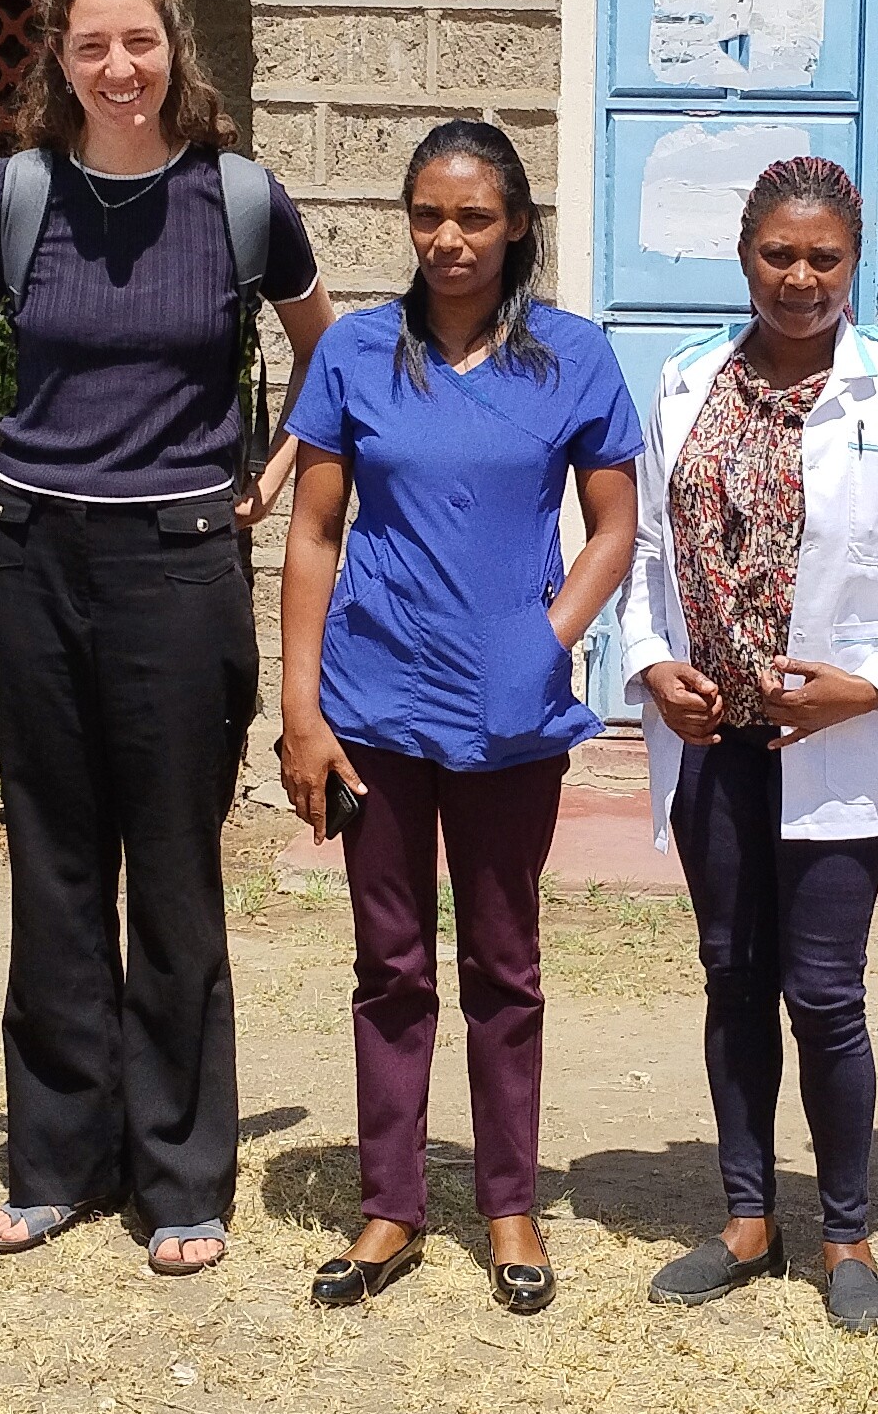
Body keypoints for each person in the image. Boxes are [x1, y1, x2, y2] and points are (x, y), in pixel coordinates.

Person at [0, 0, 338, 1278]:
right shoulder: (13, 198)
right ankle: (56, 1162)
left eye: (141, 43)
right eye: (92, 45)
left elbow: (327, 352)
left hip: (179, 569)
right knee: (53, 865)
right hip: (38, 563)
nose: (119, 68)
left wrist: (267, 480)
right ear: (58, 57)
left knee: (170, 873)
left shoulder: (238, 198)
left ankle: (179, 1175)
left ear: (177, 51)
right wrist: (6, 467)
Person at [274, 121, 643, 1317]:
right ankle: (391, 1205)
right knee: (389, 965)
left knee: (504, 961)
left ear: (518, 226)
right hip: (373, 706)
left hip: (510, 718)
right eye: (427, 216)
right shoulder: (355, 354)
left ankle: (507, 1200)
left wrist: (543, 640)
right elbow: (315, 534)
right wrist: (299, 707)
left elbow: (613, 529)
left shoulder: (572, 360)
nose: (448, 240)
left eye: (473, 218)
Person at [622, 156, 878, 1337]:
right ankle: (742, 1219)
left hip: (838, 736)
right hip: (711, 738)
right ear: (744, 256)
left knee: (823, 993)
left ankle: (845, 1233)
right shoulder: (684, 384)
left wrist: (868, 686)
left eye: (824, 255)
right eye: (778, 253)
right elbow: (639, 555)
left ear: (855, 259)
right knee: (733, 977)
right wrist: (649, 667)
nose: (800, 276)